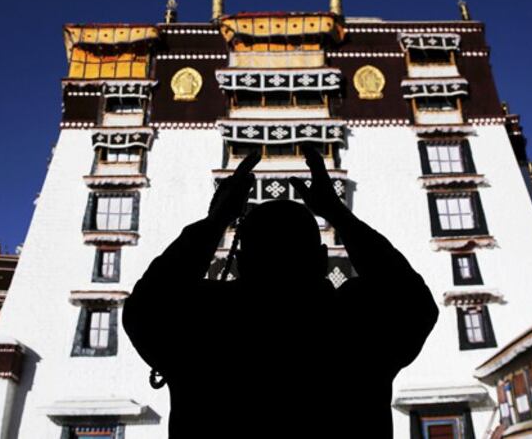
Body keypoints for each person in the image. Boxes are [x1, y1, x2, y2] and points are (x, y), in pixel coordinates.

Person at [123, 146, 438, 439]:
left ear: (242, 263)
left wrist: (217, 219)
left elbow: (147, 305)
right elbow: (412, 301)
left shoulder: (201, 322)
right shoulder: (357, 323)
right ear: (320, 259)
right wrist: (338, 214)